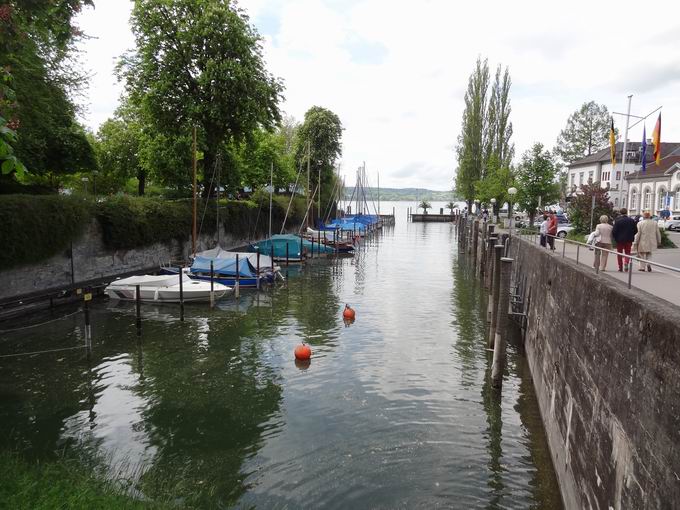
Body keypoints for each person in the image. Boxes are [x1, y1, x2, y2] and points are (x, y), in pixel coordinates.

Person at [612, 207, 637, 272]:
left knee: (619, 253)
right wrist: (631, 235)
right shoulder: (631, 220)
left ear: (620, 213)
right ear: (626, 212)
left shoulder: (617, 220)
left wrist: (615, 238)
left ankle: (620, 267)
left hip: (619, 240)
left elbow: (614, 231)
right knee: (627, 252)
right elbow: (636, 230)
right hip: (629, 239)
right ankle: (626, 262)